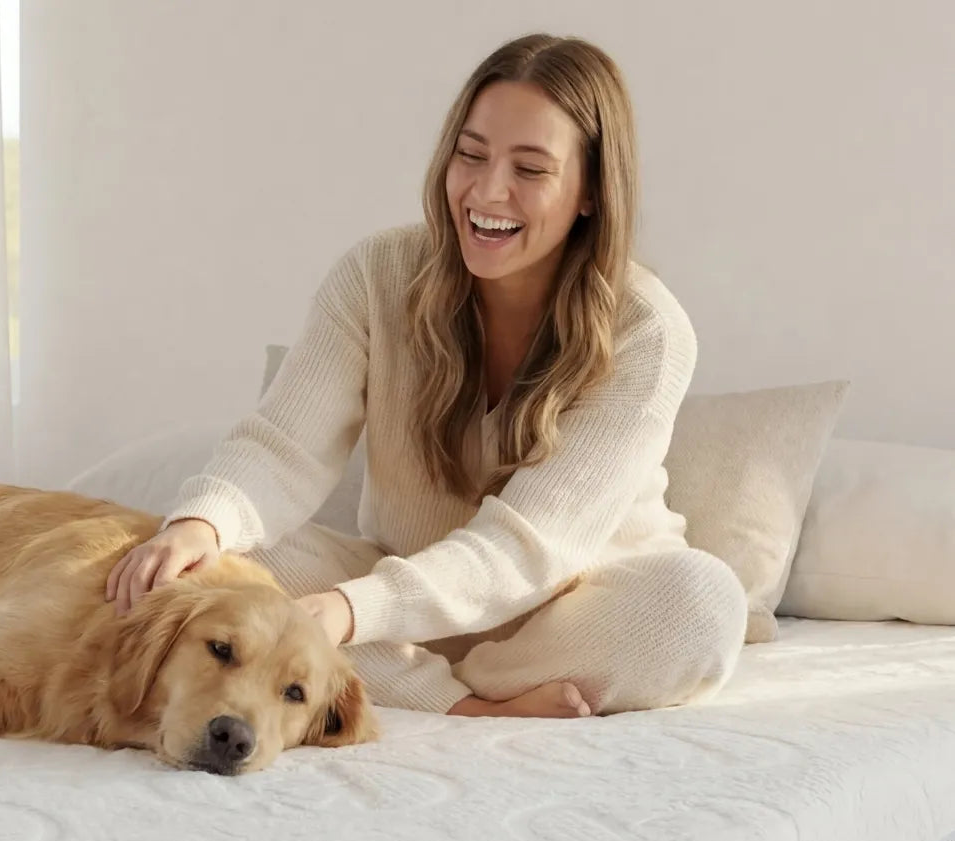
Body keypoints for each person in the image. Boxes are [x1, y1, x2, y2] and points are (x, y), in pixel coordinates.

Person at [106, 33, 747, 719]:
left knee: (702, 603)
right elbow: (282, 447)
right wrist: (202, 525)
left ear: (590, 192)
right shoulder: (374, 274)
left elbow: (530, 551)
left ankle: (421, 681)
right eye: (471, 155)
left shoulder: (647, 330)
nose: (487, 190)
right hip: (395, 602)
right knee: (225, 555)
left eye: (530, 170)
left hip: (567, 613)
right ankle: (470, 704)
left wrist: (349, 615)